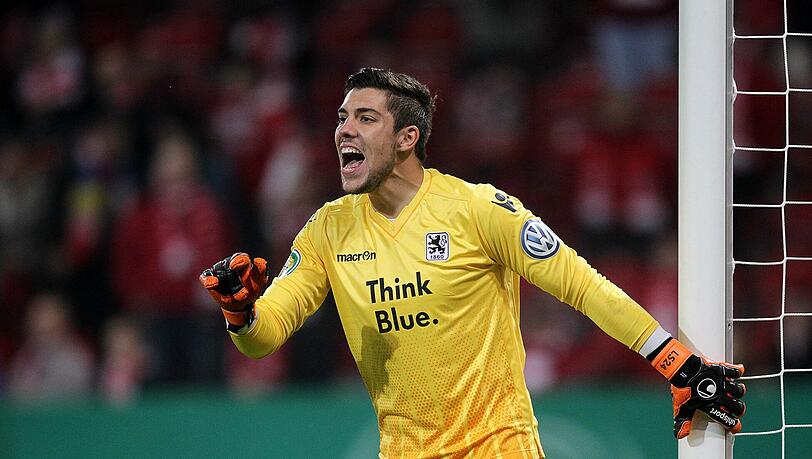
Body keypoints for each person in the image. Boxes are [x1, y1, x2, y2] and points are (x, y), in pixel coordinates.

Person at [200, 68, 746, 458]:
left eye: (366, 118)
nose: (345, 129)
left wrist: (677, 364)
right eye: (343, 118)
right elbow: (263, 337)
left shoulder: (477, 209)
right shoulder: (328, 229)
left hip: (497, 448)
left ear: (408, 138)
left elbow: (583, 285)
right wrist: (240, 312)